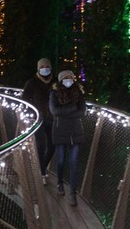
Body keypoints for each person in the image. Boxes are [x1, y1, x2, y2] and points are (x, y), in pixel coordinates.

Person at [49, 69, 86, 206]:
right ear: (60, 80)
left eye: (70, 77)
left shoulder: (79, 93)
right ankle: (59, 184)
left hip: (75, 132)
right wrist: (72, 107)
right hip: (60, 131)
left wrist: (64, 113)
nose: (68, 80)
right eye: (65, 78)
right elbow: (54, 111)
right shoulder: (54, 93)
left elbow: (82, 112)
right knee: (60, 161)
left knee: (74, 162)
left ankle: (73, 193)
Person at [22, 58, 55, 185]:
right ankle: (41, 173)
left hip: (53, 118)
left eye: (47, 66)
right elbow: (25, 98)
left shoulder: (55, 82)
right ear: (38, 68)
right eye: (43, 66)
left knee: (53, 145)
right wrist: (33, 111)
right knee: (41, 145)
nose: (45, 68)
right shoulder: (32, 82)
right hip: (39, 119)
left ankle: (41, 167)